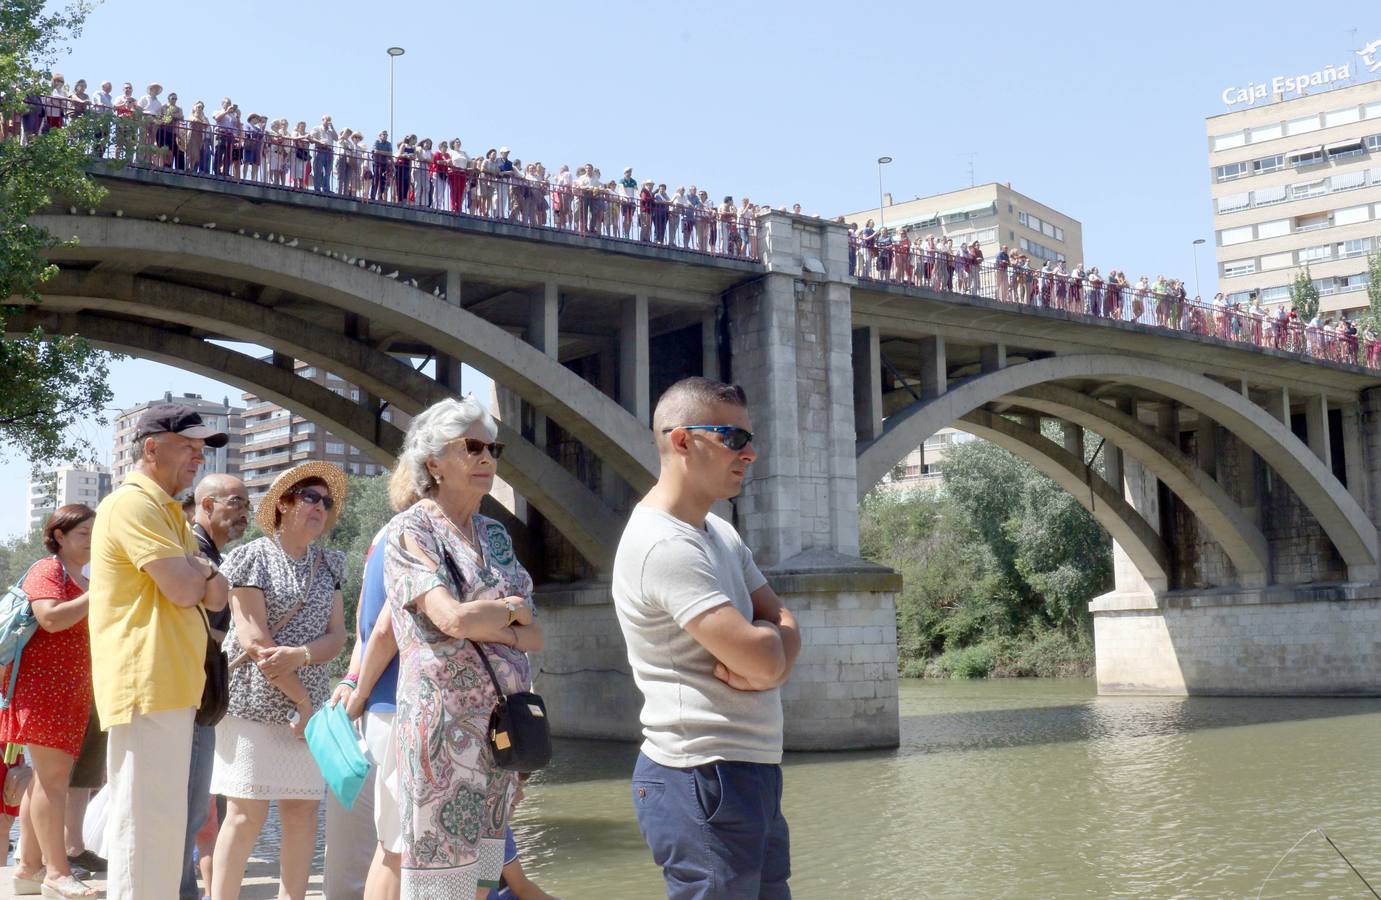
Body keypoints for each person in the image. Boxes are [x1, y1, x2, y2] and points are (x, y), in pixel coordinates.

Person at [613, 377, 800, 899]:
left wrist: (771, 650)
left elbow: (783, 621)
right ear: (681, 441)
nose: (751, 453)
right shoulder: (663, 545)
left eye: (749, 438)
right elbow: (767, 659)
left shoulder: (720, 532)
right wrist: (771, 656)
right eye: (733, 438)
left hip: (749, 771)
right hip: (700, 776)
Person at [382, 396, 544, 899]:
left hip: (501, 732)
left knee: (479, 878)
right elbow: (449, 618)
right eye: (471, 447)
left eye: (492, 448)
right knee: (439, 881)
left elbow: (536, 632)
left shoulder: (494, 534)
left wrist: (494, 621)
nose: (486, 459)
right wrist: (508, 612)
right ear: (433, 463)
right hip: (443, 736)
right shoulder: (411, 530)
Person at [88, 402, 231, 899]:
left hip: (167, 685)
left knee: (162, 832)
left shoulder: (165, 510)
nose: (199, 458)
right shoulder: (135, 504)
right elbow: (189, 591)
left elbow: (212, 592)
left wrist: (203, 574)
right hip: (146, 683)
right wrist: (206, 572)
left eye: (202, 449)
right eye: (188, 447)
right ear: (151, 448)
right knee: (145, 833)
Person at [209, 463, 348, 900]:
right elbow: (254, 640)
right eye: (310, 497)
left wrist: (303, 656)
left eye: (326, 502)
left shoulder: (332, 563)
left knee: (304, 811)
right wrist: (305, 703)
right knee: (245, 815)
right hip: (254, 705)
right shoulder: (250, 555)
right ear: (284, 504)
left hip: (306, 711)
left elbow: (337, 638)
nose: (320, 508)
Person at [3, 505, 99, 899]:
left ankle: (28, 867)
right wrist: (100, 594)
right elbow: (51, 618)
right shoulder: (49, 570)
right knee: (52, 782)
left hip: (67, 692)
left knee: (47, 781)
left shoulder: (78, 576)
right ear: (59, 536)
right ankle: (57, 873)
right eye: (84, 533)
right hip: (43, 692)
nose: (92, 540)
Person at [180, 475, 250, 900]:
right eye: (236, 502)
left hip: (198, 688)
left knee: (191, 809)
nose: (245, 511)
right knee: (186, 806)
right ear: (206, 504)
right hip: (187, 691)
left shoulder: (206, 552)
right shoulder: (192, 550)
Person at [324, 525, 401, 900]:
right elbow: (382, 630)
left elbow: (365, 628)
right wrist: (360, 686)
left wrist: (354, 680)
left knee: (371, 844)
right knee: (396, 849)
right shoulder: (418, 532)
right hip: (400, 706)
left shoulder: (382, 537)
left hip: (374, 710)